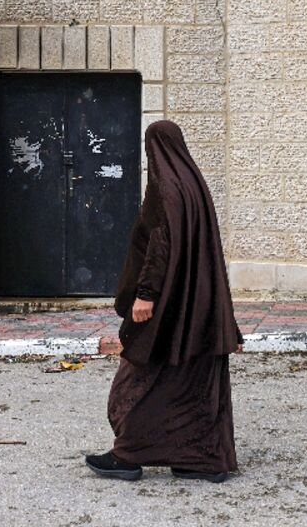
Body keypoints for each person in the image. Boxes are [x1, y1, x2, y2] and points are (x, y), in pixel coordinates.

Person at [85, 120, 242, 483]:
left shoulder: (164, 187)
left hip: (170, 305)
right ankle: (199, 459)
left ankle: (127, 456)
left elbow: (161, 243)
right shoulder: (193, 184)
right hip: (198, 306)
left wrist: (146, 295)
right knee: (192, 380)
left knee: (138, 379)